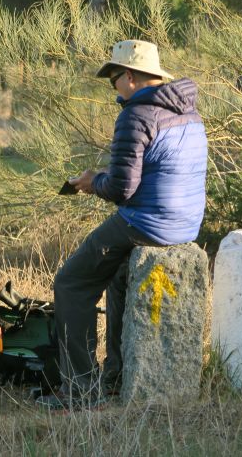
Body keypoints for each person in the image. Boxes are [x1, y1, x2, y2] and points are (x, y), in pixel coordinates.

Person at [36, 40, 208, 411]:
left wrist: (89, 181)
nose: (113, 87)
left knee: (72, 283)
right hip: (187, 224)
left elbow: (120, 189)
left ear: (129, 76)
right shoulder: (190, 112)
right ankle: (115, 375)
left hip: (148, 223)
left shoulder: (136, 115)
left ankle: (80, 389)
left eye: (113, 79)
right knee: (116, 277)